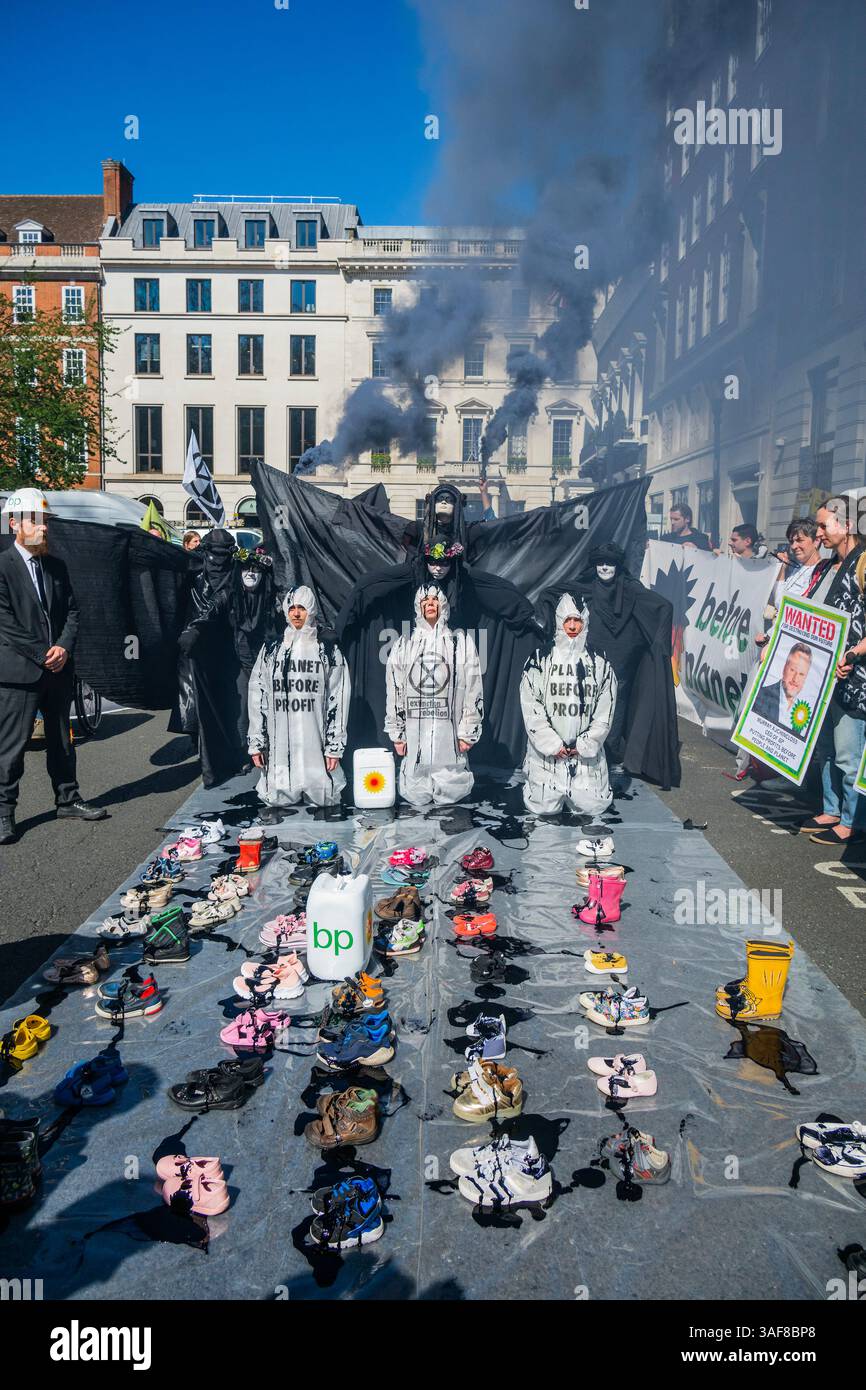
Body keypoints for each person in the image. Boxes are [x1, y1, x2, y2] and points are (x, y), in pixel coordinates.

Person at [0, 488, 107, 844]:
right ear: (15, 523)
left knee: (62, 741)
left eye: (45, 521)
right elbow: (5, 622)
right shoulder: (2, 567)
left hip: (58, 671)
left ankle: (68, 799)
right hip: (20, 673)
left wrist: (63, 646)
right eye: (36, 521)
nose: (44, 528)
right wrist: (44, 652)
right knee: (11, 747)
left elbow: (73, 611)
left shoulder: (56, 566)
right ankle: (4, 812)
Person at [576, 542, 681, 789]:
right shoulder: (585, 585)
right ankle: (588, 754)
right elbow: (555, 594)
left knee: (616, 703)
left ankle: (611, 757)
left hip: (622, 658)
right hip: (591, 656)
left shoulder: (632, 588)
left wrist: (659, 646)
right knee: (589, 702)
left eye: (610, 563)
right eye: (600, 562)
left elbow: (664, 607)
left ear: (617, 565)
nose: (604, 567)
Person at [247, 585, 350, 808]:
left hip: (316, 747)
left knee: (324, 800)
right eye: (291, 608)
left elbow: (339, 699)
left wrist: (334, 747)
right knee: (277, 800)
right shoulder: (272, 649)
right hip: (281, 749)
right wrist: (257, 741)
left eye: (301, 608)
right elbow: (258, 696)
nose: (296, 613)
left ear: (311, 610)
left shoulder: (328, 650)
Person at [178, 546, 280, 763]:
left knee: (272, 707)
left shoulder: (271, 597)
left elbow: (292, 612)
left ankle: (272, 749)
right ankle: (242, 754)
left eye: (256, 570)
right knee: (241, 709)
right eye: (246, 570)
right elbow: (211, 610)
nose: (251, 574)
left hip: (268, 662)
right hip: (239, 663)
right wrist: (194, 631)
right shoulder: (230, 594)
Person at [384, 584, 483, 807]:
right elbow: (395, 689)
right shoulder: (405, 643)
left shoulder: (460, 642)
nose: (430, 604)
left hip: (448, 734)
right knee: (416, 791)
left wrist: (469, 731)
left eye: (435, 600)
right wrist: (397, 733)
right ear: (418, 607)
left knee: (450, 790)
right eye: (425, 601)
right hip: (415, 733)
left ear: (443, 605)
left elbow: (473, 689)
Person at [803, 497, 866, 845]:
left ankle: (853, 820)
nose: (819, 532)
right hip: (828, 674)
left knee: (849, 753)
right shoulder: (830, 566)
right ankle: (832, 809)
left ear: (849, 526)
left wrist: (854, 653)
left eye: (825, 525)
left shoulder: (864, 563)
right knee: (826, 746)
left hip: (856, 678)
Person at [519, 593, 617, 816]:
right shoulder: (539, 659)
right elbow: (531, 705)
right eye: (567, 620)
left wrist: (585, 744)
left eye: (578, 621)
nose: (572, 626)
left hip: (586, 759)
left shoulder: (600, 661)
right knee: (543, 808)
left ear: (585, 623)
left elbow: (606, 710)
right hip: (546, 758)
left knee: (593, 807)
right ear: (559, 621)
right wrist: (552, 744)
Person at [751, 643, 813, 738]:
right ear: (784, 668)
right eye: (792, 670)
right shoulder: (761, 696)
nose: (795, 679)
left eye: (801, 674)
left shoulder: (809, 712)